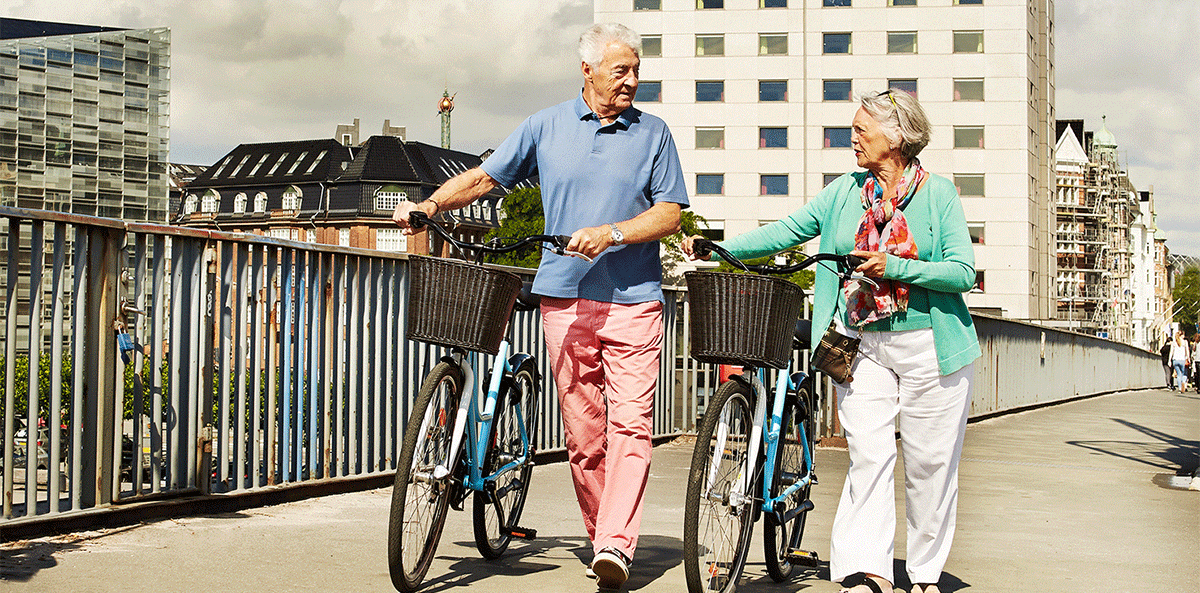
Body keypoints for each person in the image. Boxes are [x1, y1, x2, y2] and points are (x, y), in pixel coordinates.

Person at [393, 23, 688, 590]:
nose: (631, 81)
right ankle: (604, 529)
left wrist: (613, 233)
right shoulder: (546, 125)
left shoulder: (654, 133)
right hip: (564, 299)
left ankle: (614, 546)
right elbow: (485, 177)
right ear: (588, 71)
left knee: (631, 427)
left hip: (634, 302)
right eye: (620, 71)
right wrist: (429, 203)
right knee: (584, 437)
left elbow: (670, 213)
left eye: (635, 71)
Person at [683, 89, 981, 593]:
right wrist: (720, 247)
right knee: (868, 456)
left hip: (931, 345)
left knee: (930, 468)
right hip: (859, 343)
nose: (853, 138)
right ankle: (867, 570)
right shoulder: (844, 192)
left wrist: (898, 266)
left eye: (862, 129)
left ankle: (926, 574)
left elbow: (962, 271)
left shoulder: (939, 196)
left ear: (898, 137)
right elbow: (788, 230)